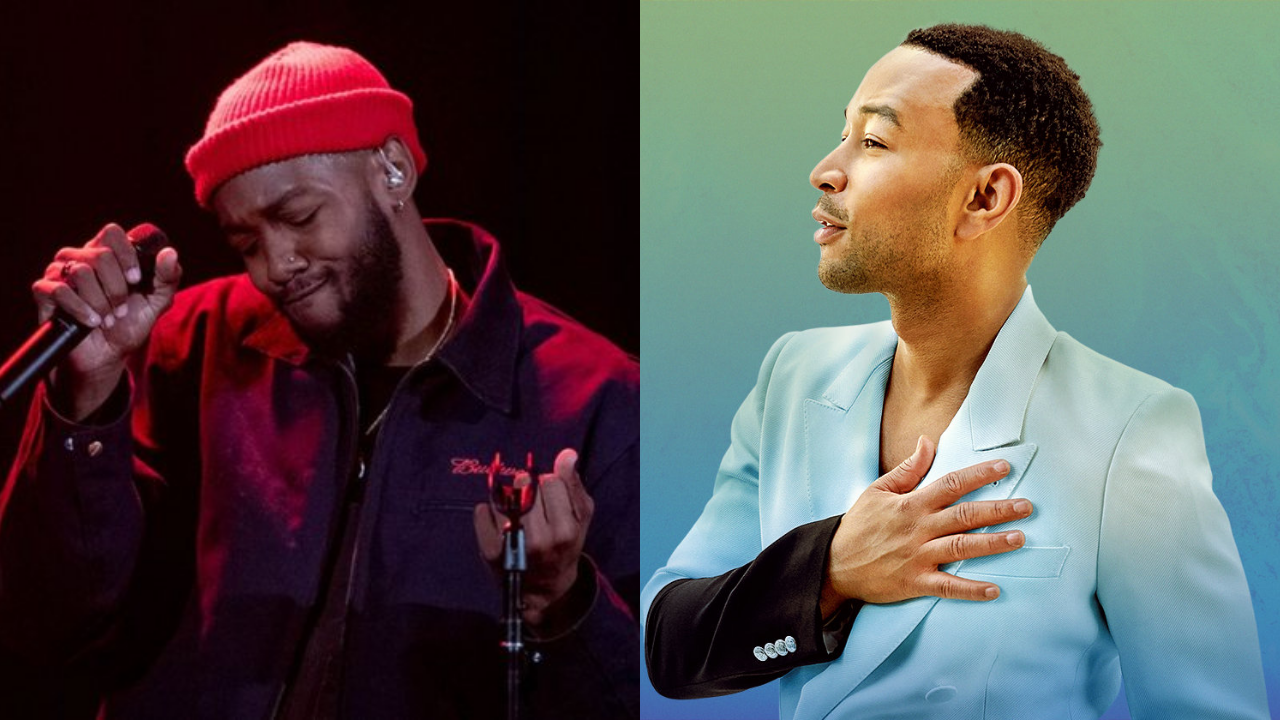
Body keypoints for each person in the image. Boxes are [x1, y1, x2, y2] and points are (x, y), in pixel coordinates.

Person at [642, 23, 1268, 720]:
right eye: (842, 133)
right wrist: (832, 569)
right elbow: (670, 643)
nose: (826, 168)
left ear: (984, 199)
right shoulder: (795, 376)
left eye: (873, 142)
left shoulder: (1130, 429)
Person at [0, 42, 638, 719]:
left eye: (299, 217)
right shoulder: (188, 346)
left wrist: (564, 604)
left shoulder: (594, 396)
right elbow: (49, 623)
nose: (275, 263)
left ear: (392, 171)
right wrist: (85, 400)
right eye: (245, 241)